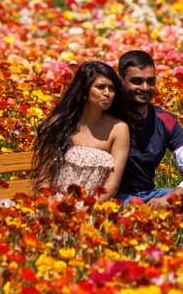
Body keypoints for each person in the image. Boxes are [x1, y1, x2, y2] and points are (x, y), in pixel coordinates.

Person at [115, 50, 183, 212]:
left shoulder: (165, 121)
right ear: (121, 80)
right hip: (115, 197)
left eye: (150, 81)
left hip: (149, 195)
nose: (145, 88)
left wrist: (170, 198)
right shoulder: (108, 116)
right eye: (136, 81)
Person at [33, 61, 131, 202]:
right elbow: (44, 180)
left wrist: (86, 209)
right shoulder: (59, 123)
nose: (107, 93)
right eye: (100, 87)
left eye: (112, 88)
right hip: (55, 204)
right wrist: (52, 207)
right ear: (84, 91)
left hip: (92, 205)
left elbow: (112, 185)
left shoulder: (119, 129)